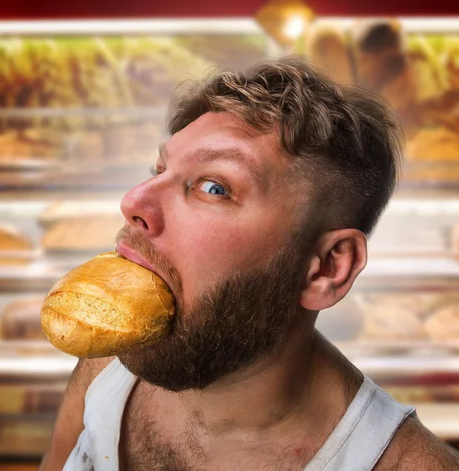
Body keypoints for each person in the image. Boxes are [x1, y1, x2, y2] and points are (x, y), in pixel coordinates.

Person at [41, 57, 459, 470]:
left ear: (327, 268)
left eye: (214, 187)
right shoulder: (109, 360)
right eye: (160, 169)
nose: (133, 201)